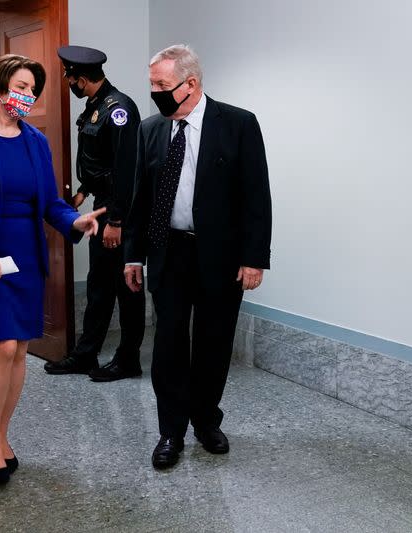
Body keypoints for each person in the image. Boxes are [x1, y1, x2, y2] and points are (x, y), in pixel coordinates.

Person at [0, 54, 104, 484]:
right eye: (21, 86)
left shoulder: (36, 140)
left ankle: (0, 433)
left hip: (25, 257)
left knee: (19, 351)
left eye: (33, 89)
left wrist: (75, 221)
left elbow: (50, 201)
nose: (29, 95)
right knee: (1, 347)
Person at [123, 44, 272, 469]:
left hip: (220, 257)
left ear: (191, 84)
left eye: (162, 85)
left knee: (213, 340)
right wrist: (133, 256)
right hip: (168, 251)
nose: (154, 92)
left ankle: (206, 420)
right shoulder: (151, 129)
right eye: (152, 83)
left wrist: (254, 257)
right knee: (168, 342)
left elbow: (255, 196)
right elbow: (141, 198)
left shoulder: (238, 124)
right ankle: (170, 431)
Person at [43, 45, 146, 382]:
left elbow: (126, 168)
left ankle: (128, 359)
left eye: (70, 79)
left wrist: (116, 222)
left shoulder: (119, 109)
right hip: (102, 205)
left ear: (82, 79)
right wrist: (83, 193)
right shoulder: (94, 107)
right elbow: (98, 163)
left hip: (120, 213)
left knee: (126, 288)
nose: (68, 84)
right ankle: (86, 355)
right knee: (99, 287)